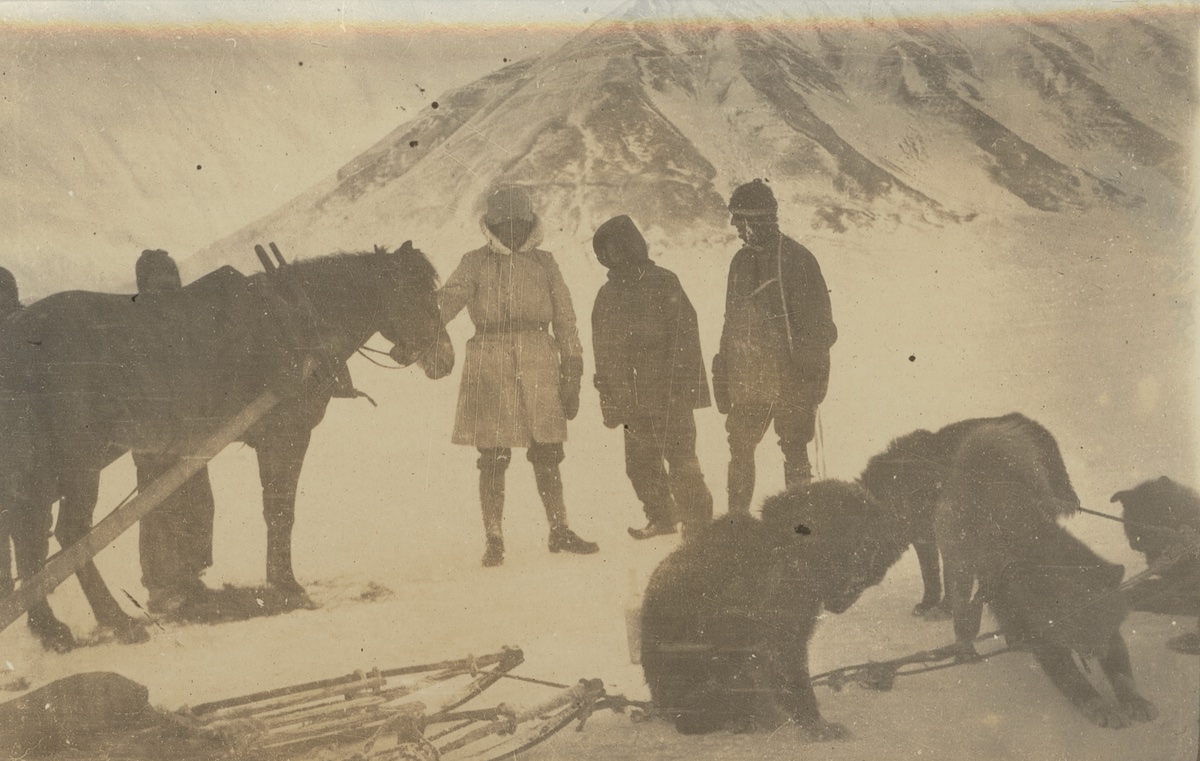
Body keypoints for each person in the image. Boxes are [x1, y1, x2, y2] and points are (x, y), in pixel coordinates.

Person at [439, 186, 599, 567]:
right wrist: (417, 325)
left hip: (540, 362)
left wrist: (572, 369)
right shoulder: (474, 263)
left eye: (520, 224)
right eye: (505, 224)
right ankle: (494, 538)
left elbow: (565, 319)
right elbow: (445, 304)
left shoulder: (545, 263)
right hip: (489, 364)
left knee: (548, 452)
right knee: (492, 456)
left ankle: (559, 529)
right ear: (492, 225)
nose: (513, 231)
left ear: (530, 224)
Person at [712, 180, 837, 516]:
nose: (734, 226)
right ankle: (736, 523)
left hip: (790, 379)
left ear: (759, 218)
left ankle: (800, 524)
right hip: (749, 379)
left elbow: (821, 327)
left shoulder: (797, 259)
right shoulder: (739, 262)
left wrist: (809, 375)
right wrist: (723, 370)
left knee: (794, 447)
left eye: (740, 218)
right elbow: (731, 322)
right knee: (740, 446)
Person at [590, 215, 713, 539]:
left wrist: (682, 390)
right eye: (604, 250)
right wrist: (610, 399)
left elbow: (686, 337)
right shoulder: (607, 295)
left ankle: (698, 524)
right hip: (630, 399)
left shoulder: (664, 282)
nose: (610, 255)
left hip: (668, 393)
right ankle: (662, 517)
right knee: (640, 466)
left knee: (682, 462)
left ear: (631, 245)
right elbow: (603, 353)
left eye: (615, 247)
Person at [132, 249, 218, 614]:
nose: (169, 292)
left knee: (198, 504)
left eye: (173, 283)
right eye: (161, 285)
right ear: (146, 286)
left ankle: (188, 578)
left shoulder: (183, 323)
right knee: (161, 512)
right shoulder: (139, 327)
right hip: (155, 436)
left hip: (187, 434)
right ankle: (163, 589)